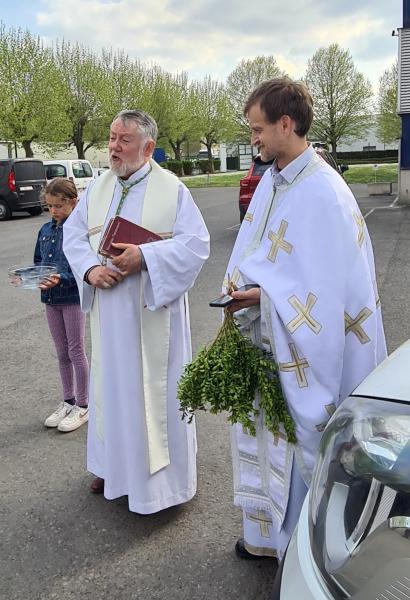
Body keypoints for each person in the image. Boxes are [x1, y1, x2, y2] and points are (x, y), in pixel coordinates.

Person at [223, 77, 386, 561]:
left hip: (303, 350)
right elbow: (257, 250)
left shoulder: (324, 194)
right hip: (272, 339)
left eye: (258, 129)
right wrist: (238, 289)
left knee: (296, 442)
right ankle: (267, 537)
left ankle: (299, 548)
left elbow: (323, 295)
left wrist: (264, 300)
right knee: (267, 433)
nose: (253, 139)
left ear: (285, 124)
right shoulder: (277, 180)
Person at [63, 109, 210, 514]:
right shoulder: (97, 187)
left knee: (152, 396)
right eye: (111, 137)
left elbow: (196, 246)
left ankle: (161, 487)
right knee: (113, 391)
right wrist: (91, 269)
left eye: (123, 140)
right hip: (110, 315)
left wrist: (144, 257)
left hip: (151, 315)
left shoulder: (173, 190)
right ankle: (113, 469)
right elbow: (73, 236)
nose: (113, 147)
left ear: (147, 147)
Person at [34, 178, 89, 432]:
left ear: (73, 202)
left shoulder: (78, 231)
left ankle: (83, 405)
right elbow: (39, 261)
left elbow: (83, 268)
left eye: (59, 206)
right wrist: (31, 277)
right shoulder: (45, 230)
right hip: (50, 300)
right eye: (50, 206)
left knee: (76, 352)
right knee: (61, 352)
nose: (54, 211)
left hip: (71, 299)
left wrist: (61, 279)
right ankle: (67, 400)